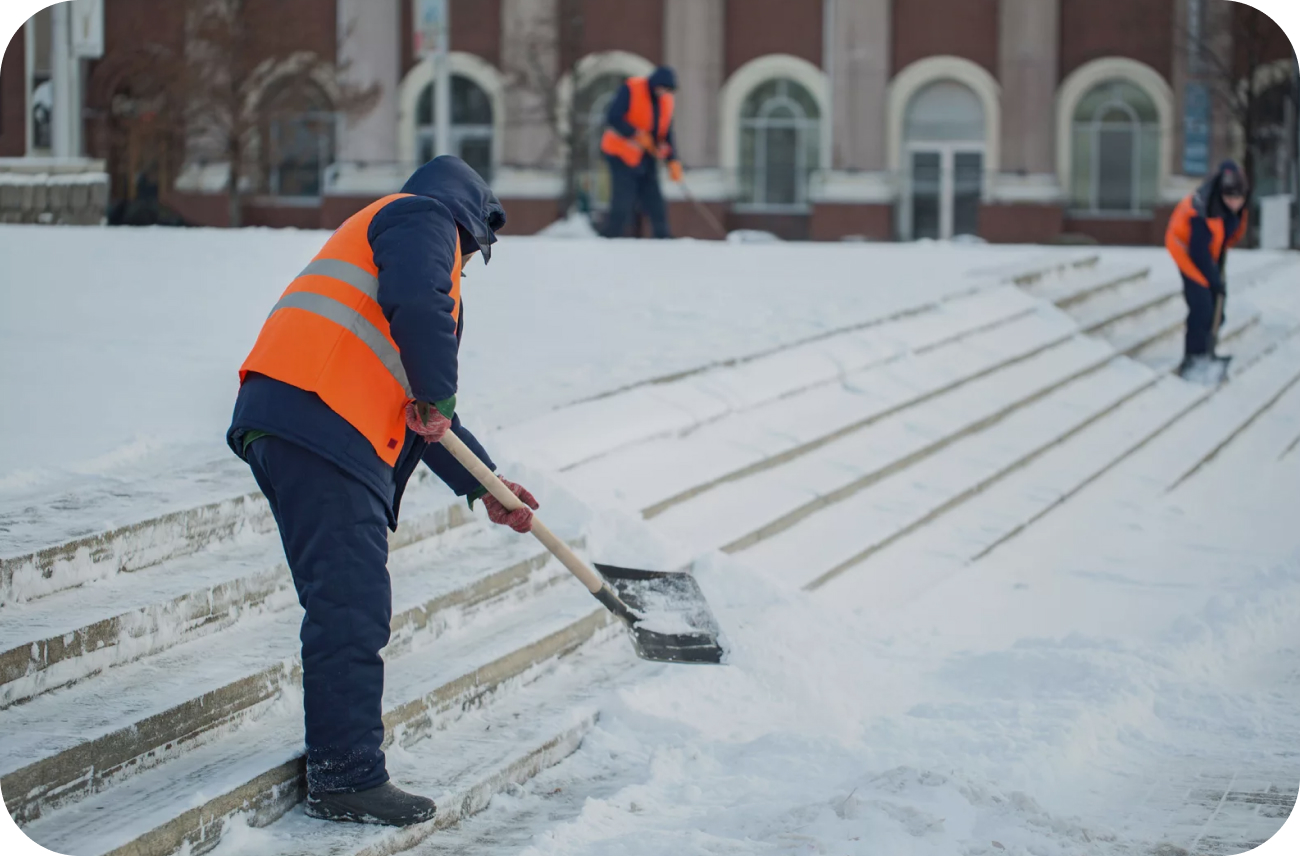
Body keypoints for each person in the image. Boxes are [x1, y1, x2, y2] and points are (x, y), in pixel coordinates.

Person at [226, 156, 539, 827]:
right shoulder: (420, 218)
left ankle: (343, 765)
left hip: (304, 419)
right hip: (319, 419)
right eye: (471, 254)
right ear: (469, 223)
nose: (463, 268)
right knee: (352, 601)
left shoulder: (386, 248)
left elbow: (423, 416)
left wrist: (486, 486)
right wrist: (438, 390)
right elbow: (424, 323)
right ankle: (345, 774)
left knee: (346, 597)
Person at [1165, 159, 1250, 380]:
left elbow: (1223, 241)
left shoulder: (1237, 210)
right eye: (1230, 198)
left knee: (1217, 308)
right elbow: (1199, 252)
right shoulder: (1204, 207)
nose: (1234, 203)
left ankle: (1207, 352)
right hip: (1186, 250)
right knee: (1201, 304)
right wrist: (1213, 280)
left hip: (1209, 254)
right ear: (1222, 194)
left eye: (1238, 199)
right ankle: (1193, 358)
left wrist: (1217, 276)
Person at [600, 65, 682, 239]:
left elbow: (666, 133)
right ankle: (611, 237)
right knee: (623, 198)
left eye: (668, 90)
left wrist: (672, 160)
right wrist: (635, 134)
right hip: (620, 153)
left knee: (655, 199)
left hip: (646, 155)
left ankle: (663, 237)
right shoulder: (632, 88)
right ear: (655, 84)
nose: (664, 92)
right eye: (662, 88)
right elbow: (613, 117)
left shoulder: (666, 101)